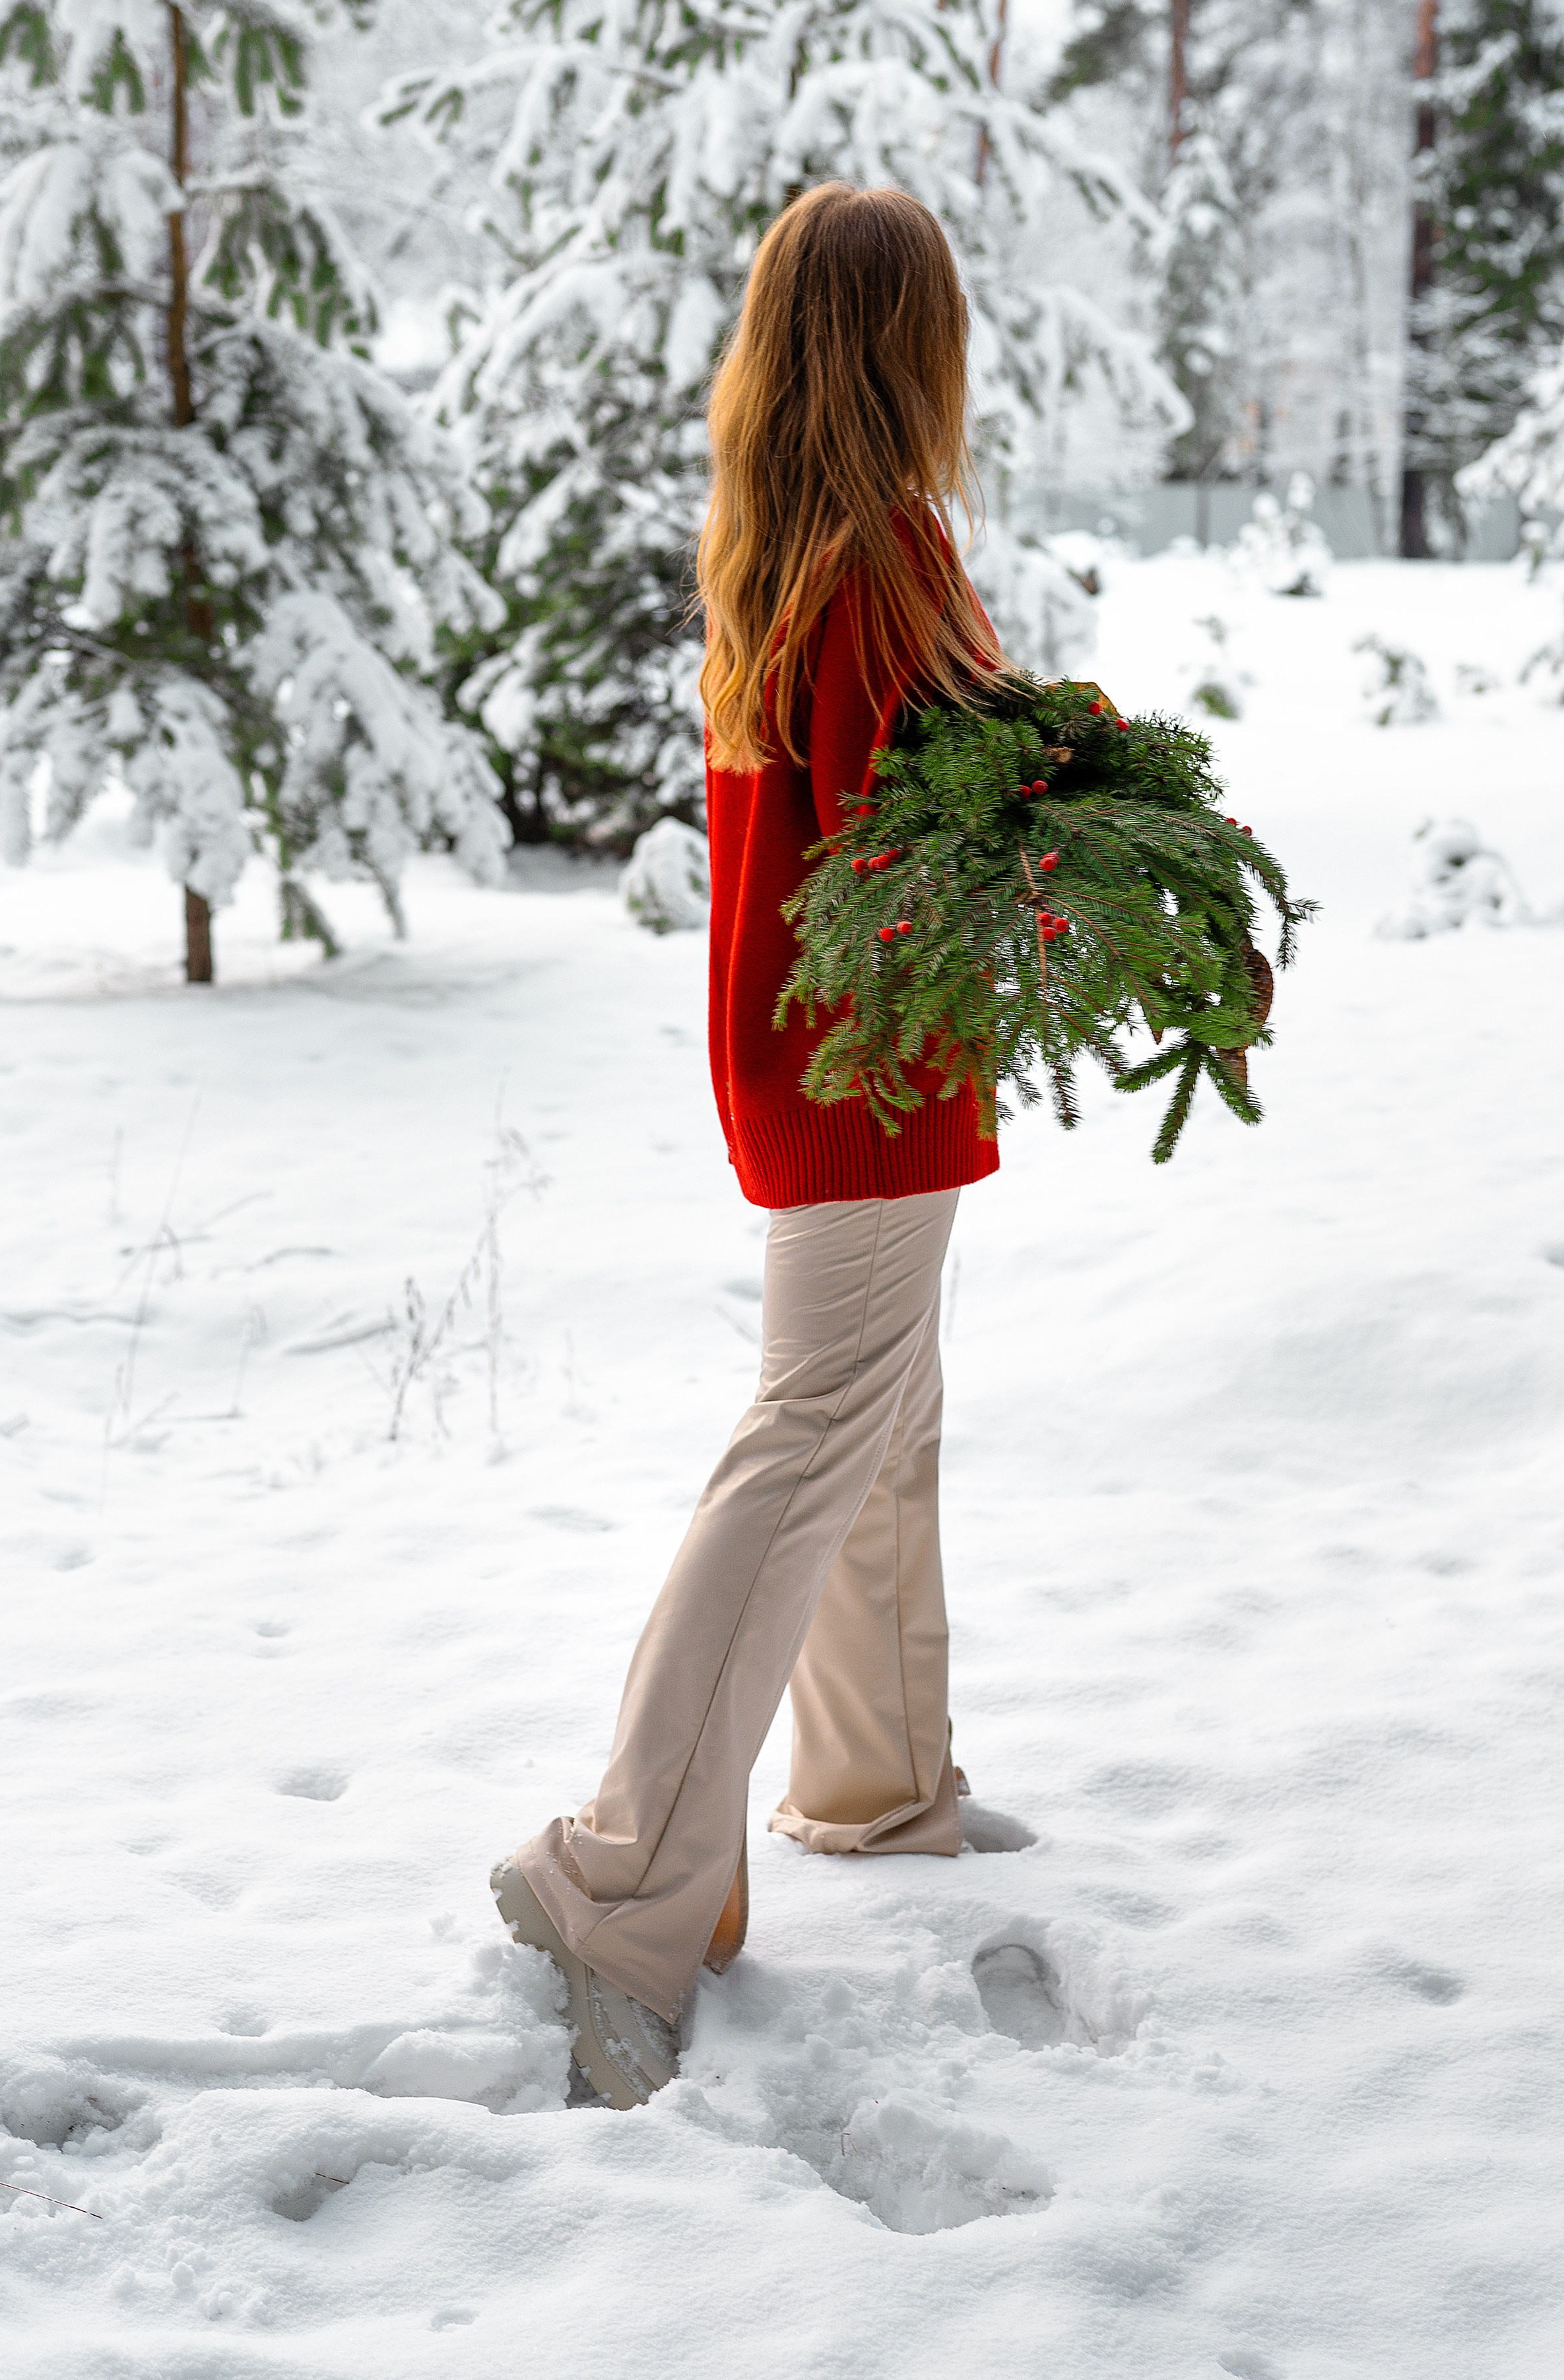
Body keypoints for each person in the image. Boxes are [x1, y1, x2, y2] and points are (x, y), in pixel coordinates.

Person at [492, 180, 1024, 2109]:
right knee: (816, 1439)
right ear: (911, 346)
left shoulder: (794, 542)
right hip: (868, 1076)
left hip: (824, 1066)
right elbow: (929, 836)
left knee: (883, 1427)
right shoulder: (882, 560)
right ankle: (619, 1873)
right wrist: (1064, 806)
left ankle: (873, 1792)